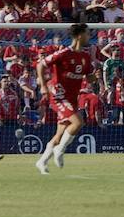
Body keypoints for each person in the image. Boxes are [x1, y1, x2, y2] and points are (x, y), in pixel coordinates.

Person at [35, 22, 94, 175]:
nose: (90, 36)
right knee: (78, 122)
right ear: (80, 36)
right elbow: (40, 65)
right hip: (58, 95)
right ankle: (60, 150)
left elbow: (90, 77)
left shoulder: (86, 56)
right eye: (88, 33)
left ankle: (42, 161)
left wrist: (97, 74)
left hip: (72, 97)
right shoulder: (63, 53)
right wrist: (42, 85)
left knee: (60, 133)